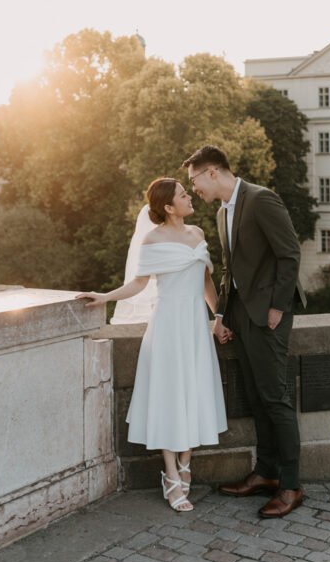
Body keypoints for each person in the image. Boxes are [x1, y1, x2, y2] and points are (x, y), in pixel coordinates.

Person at [77, 177, 227, 513]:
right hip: (168, 328)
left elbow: (205, 282)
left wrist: (218, 319)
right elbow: (138, 284)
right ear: (169, 207)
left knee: (194, 392)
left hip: (194, 328)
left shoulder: (198, 235)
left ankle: (186, 463)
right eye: (183, 195)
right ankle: (171, 473)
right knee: (169, 396)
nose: (190, 197)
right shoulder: (152, 239)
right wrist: (105, 297)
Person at [184, 145, 306, 518]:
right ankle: (266, 474)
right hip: (241, 315)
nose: (194, 190)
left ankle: (291, 485)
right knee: (256, 398)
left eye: (194, 181)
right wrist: (220, 314)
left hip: (269, 314)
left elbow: (290, 254)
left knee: (275, 399)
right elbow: (228, 272)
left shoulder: (261, 199)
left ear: (213, 173)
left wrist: (277, 308)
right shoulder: (222, 213)